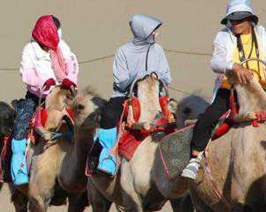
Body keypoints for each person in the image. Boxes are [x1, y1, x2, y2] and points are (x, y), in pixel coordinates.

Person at [182, 0, 266, 180]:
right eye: (232, 20)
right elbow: (215, 62)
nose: (234, 24)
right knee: (207, 119)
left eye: (239, 20)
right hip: (231, 89)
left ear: (249, 19)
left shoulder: (265, 38)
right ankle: (195, 159)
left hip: (261, 90)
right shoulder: (223, 36)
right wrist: (234, 66)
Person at [92, 14, 171, 176]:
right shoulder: (123, 51)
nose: (156, 34)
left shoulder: (158, 50)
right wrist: (139, 75)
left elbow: (167, 77)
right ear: (144, 31)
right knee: (109, 115)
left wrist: (156, 75)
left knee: (176, 116)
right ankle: (107, 158)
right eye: (153, 31)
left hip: (154, 94)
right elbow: (120, 82)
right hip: (126, 94)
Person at [9, 15, 79, 185]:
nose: (59, 33)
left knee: (84, 121)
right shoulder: (30, 50)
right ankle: (19, 169)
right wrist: (43, 83)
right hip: (38, 96)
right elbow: (26, 74)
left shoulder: (61, 46)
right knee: (21, 124)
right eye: (55, 30)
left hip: (64, 94)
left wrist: (70, 79)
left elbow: (72, 64)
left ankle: (87, 166)